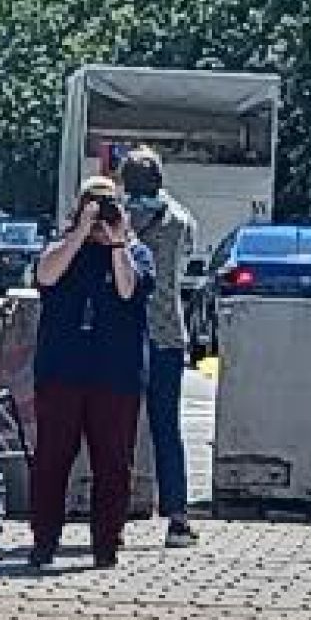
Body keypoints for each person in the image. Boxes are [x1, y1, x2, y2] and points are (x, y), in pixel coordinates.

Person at [28, 177, 155, 569]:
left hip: (114, 374)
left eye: (107, 206)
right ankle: (44, 541)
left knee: (114, 464)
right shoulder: (63, 247)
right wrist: (80, 233)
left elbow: (128, 290)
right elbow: (45, 276)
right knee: (51, 460)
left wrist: (118, 243)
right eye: (93, 206)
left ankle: (106, 545)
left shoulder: (136, 252)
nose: (101, 214)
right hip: (61, 371)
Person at [118, 147, 199, 549]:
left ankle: (112, 513)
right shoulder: (180, 220)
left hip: (123, 334)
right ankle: (178, 518)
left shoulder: (118, 220)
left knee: (117, 426)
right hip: (168, 332)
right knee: (167, 427)